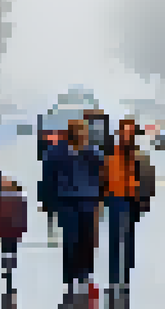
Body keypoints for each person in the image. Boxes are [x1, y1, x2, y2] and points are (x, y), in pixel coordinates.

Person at [43, 118, 104, 299]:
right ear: (70, 133)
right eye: (77, 131)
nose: (81, 135)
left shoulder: (92, 153)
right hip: (66, 201)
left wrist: (100, 200)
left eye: (83, 132)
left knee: (87, 238)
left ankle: (85, 274)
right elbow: (47, 179)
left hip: (88, 200)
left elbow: (102, 177)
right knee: (71, 238)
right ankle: (70, 276)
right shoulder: (55, 152)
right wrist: (48, 203)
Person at [101, 118, 155, 293]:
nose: (127, 136)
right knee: (116, 237)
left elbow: (148, 178)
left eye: (130, 132)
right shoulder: (110, 154)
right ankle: (114, 278)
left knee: (129, 236)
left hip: (133, 198)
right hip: (115, 197)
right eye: (125, 132)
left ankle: (125, 275)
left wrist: (145, 199)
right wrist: (101, 198)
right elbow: (102, 176)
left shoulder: (139, 156)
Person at [0, 175, 29, 295]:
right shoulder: (13, 199)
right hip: (9, 228)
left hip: (9, 228)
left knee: (8, 248)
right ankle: (9, 265)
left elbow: (21, 215)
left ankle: (9, 266)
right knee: (9, 248)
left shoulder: (3, 199)